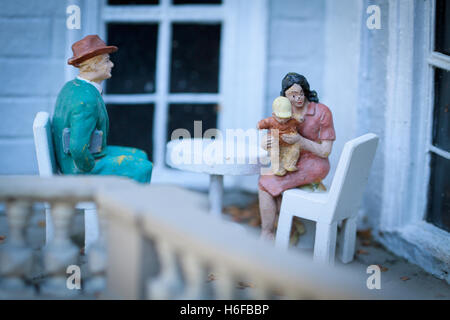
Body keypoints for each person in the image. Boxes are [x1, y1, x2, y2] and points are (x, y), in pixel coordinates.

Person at [52, 35, 153, 183]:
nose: (111, 64)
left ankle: (122, 199)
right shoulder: (86, 101)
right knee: (143, 168)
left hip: (77, 158)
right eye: (106, 61)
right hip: (78, 168)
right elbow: (77, 148)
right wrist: (89, 167)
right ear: (93, 65)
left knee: (141, 155)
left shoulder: (73, 87)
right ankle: (130, 205)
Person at [258, 72, 336, 240]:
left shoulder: (321, 112)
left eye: (300, 93)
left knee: (266, 184)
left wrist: (301, 141)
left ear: (306, 91)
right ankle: (288, 228)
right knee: (270, 180)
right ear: (285, 95)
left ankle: (268, 234)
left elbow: (325, 151)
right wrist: (265, 142)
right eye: (292, 95)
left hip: (314, 163)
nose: (298, 98)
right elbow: (272, 131)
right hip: (290, 160)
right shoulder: (285, 110)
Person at [257, 96, 302, 176]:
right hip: (275, 141)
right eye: (280, 118)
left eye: (286, 117)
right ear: (274, 115)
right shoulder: (270, 121)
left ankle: (289, 163)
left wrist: (299, 118)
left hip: (288, 142)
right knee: (274, 151)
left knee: (295, 148)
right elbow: (262, 124)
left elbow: (299, 120)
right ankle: (277, 168)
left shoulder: (292, 121)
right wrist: (259, 125)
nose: (283, 120)